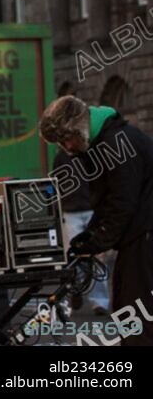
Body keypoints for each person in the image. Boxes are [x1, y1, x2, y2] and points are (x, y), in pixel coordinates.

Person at [39, 96, 153, 346]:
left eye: (67, 139)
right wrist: (90, 237)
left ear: (79, 128)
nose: (67, 147)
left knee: (135, 307)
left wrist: (96, 241)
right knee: (127, 304)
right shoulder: (105, 142)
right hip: (138, 233)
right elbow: (107, 202)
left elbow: (122, 203)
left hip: (145, 233)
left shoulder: (116, 143)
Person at [51, 147, 111, 314]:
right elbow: (56, 183)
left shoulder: (93, 152)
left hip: (91, 210)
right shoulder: (61, 156)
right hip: (72, 210)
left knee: (97, 257)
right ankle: (78, 289)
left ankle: (99, 302)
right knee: (77, 256)